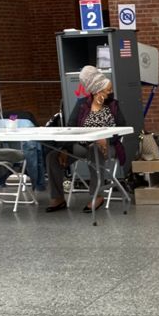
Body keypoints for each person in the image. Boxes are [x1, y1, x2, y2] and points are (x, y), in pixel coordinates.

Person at [44, 65, 123, 213]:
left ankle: (97, 195)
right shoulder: (82, 105)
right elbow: (71, 127)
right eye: (105, 89)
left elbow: (122, 129)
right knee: (52, 156)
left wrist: (107, 141)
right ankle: (58, 198)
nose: (109, 92)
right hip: (82, 145)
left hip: (107, 147)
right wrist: (65, 149)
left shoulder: (113, 106)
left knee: (94, 150)